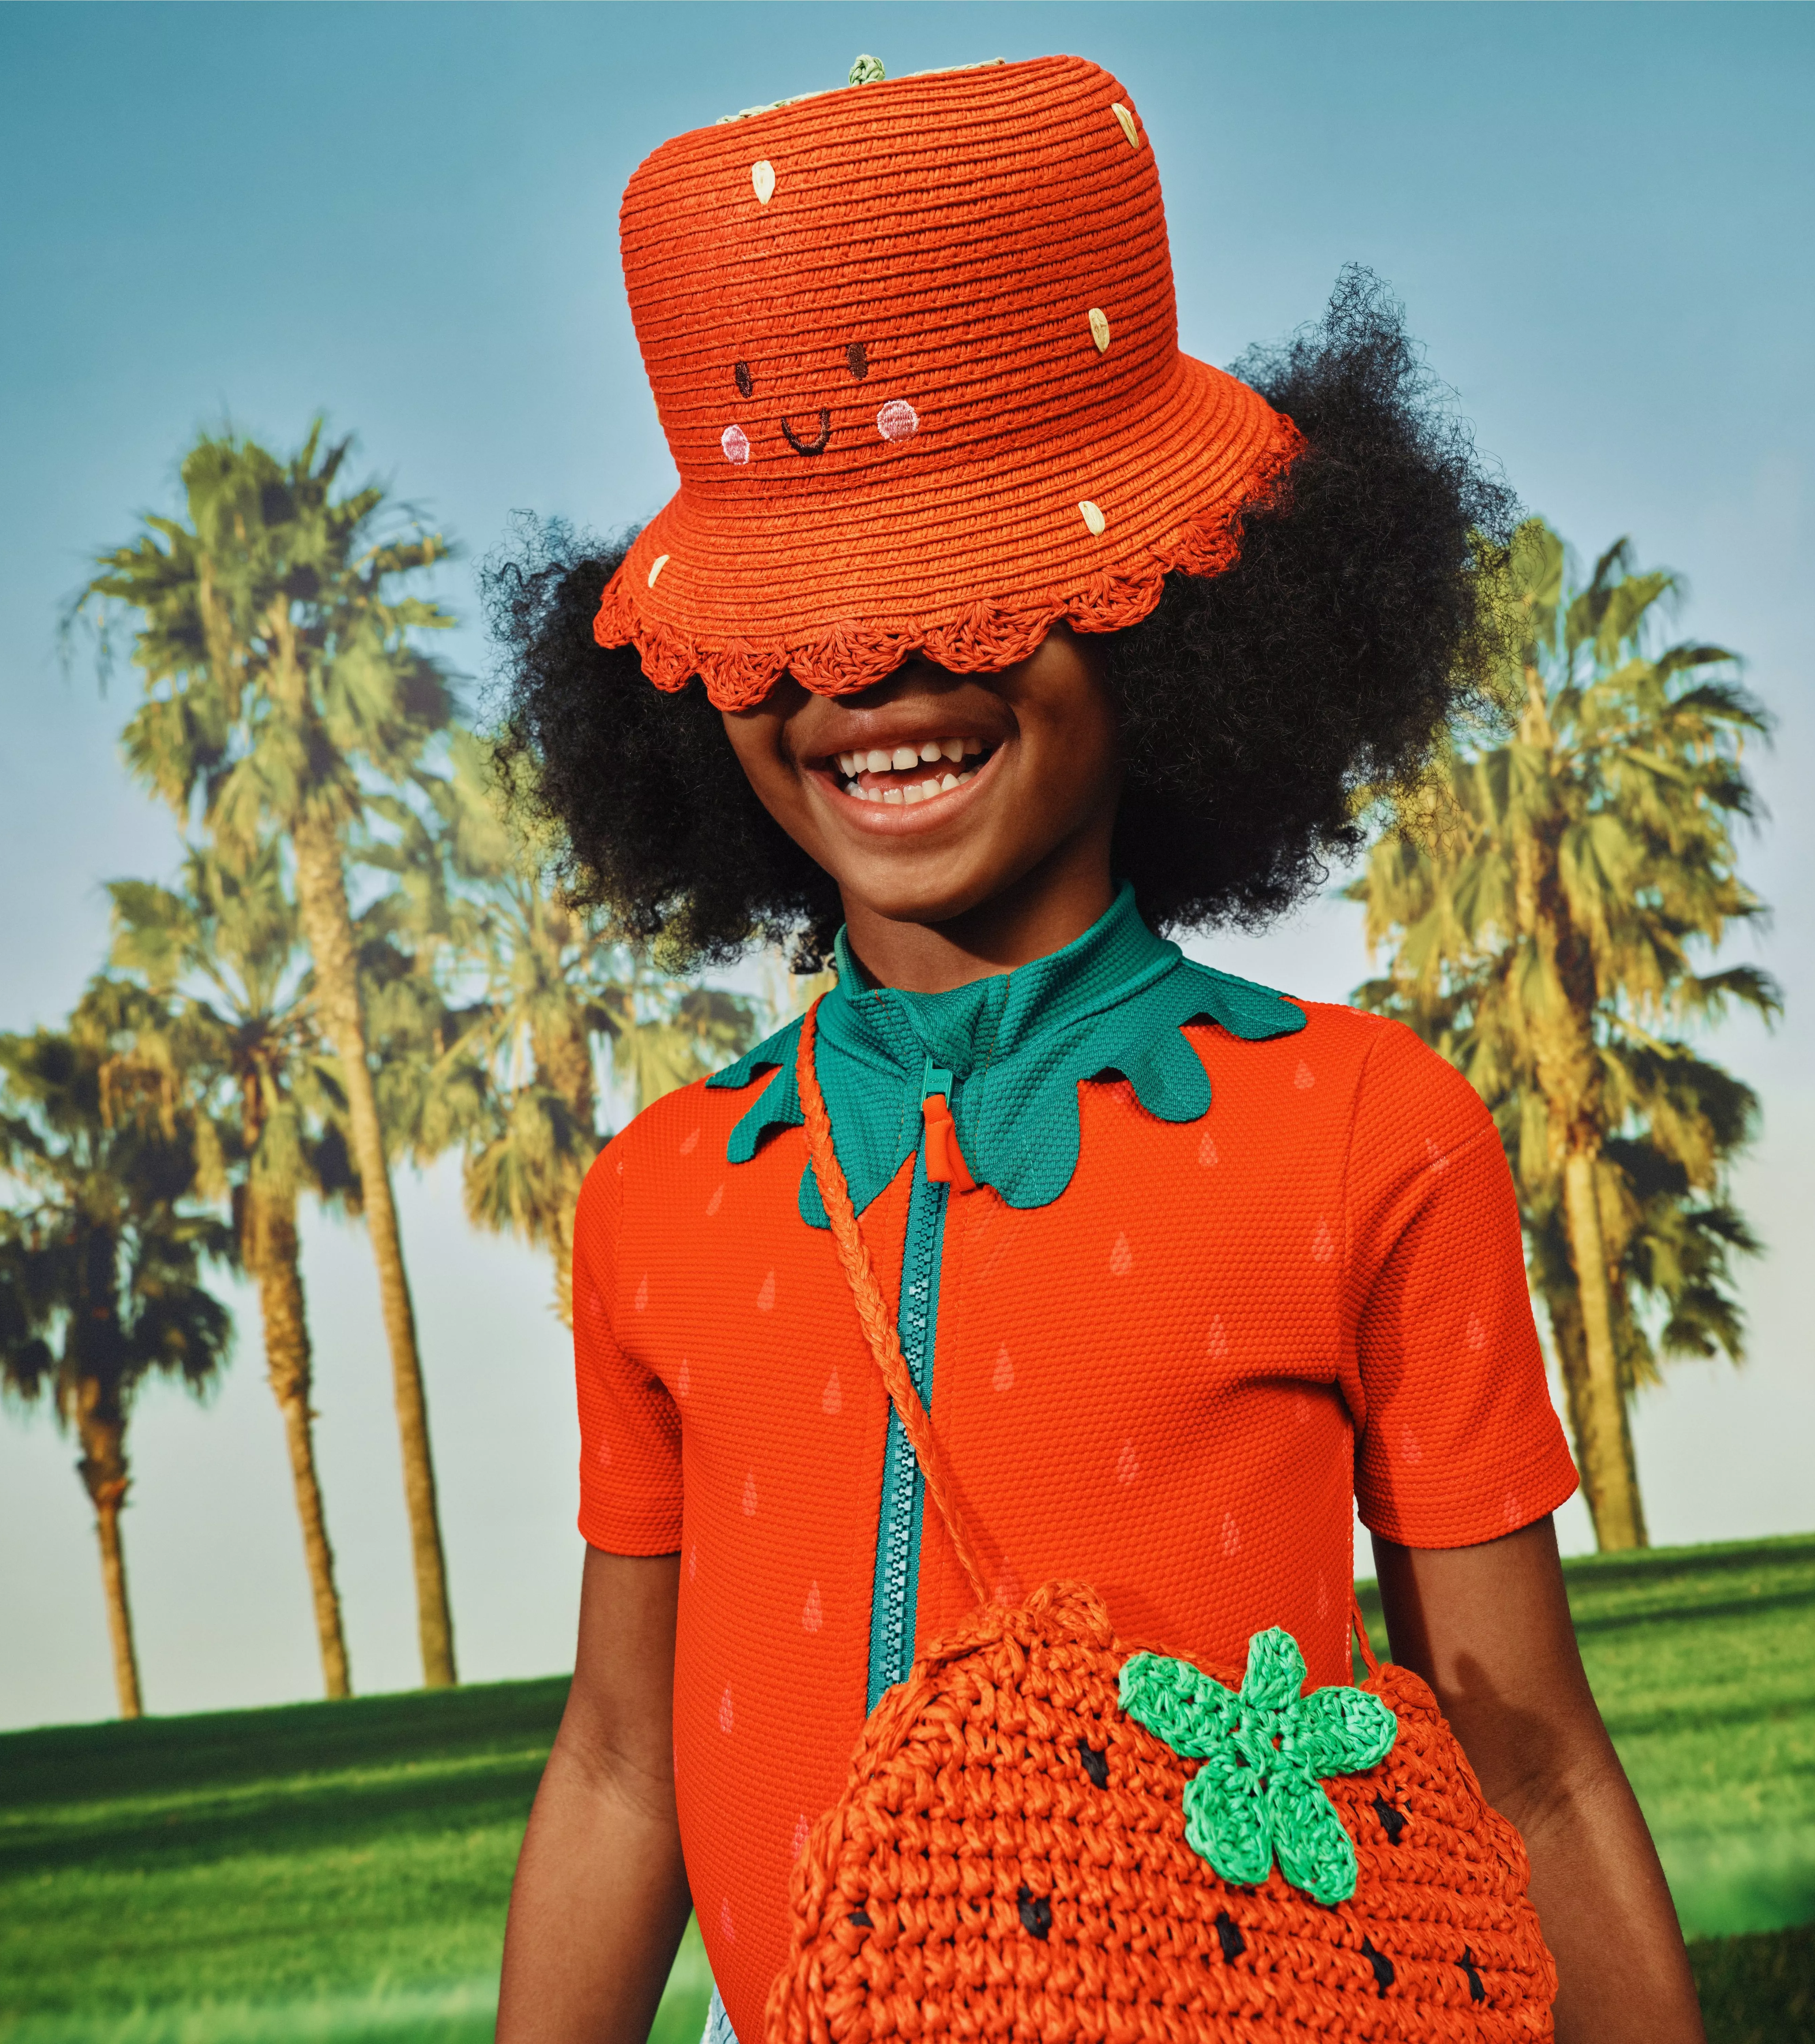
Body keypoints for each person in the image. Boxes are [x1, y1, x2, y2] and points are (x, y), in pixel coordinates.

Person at [490, 53, 1704, 2044]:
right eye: (794, 615)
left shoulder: (1364, 1133)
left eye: (973, 585)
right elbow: (620, 1764)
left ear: (1172, 611)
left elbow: (1528, 1757)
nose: (873, 672)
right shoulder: (659, 1204)